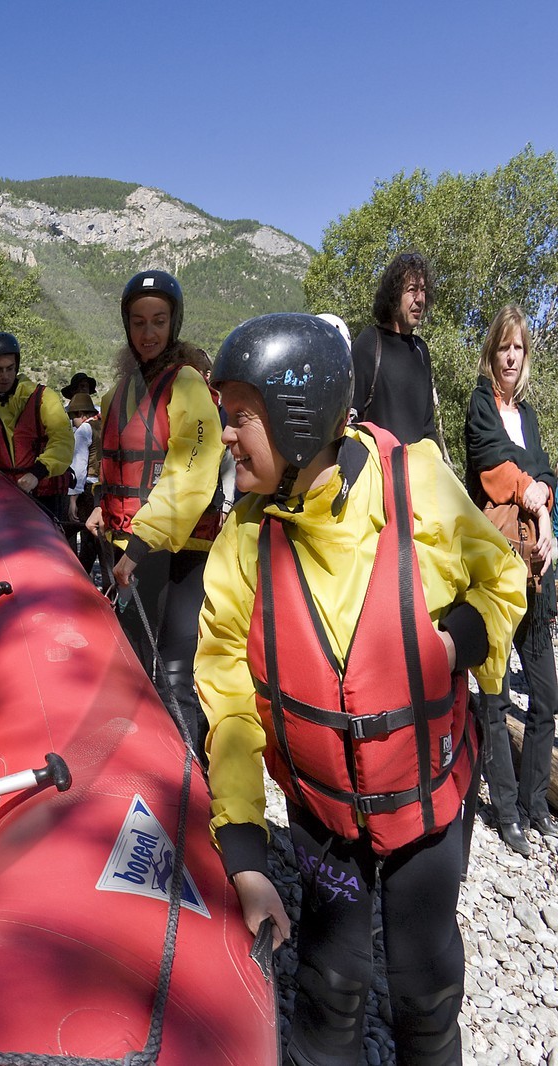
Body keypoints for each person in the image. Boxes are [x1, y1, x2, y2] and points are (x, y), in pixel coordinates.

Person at [197, 313, 524, 1066]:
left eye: (240, 417)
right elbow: (229, 700)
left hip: (427, 801)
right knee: (329, 983)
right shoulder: (246, 542)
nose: (226, 438)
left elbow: (502, 578)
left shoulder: (418, 486)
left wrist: (460, 642)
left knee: (426, 986)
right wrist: (245, 854)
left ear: (297, 415)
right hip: (323, 814)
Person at [83, 270, 223, 757]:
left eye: (158, 321)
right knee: (135, 665)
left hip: (178, 551)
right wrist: (102, 506)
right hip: (130, 549)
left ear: (173, 323)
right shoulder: (117, 393)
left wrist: (140, 545)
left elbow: (191, 471)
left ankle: (194, 784)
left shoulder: (185, 384)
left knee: (175, 672)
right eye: (139, 322)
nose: (148, 333)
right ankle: (146, 769)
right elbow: (113, 461)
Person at [463, 304, 557, 857]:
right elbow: (492, 469)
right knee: (495, 691)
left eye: (519, 348)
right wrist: (539, 503)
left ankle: (536, 803)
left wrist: (547, 517)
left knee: (544, 696)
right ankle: (505, 812)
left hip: (538, 570)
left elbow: (546, 472)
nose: (511, 357)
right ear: (492, 352)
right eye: (504, 348)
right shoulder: (481, 405)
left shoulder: (531, 416)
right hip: (501, 564)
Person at [0, 331, 74, 518]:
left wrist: (37, 473)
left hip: (46, 495)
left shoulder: (44, 398)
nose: (5, 376)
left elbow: (63, 441)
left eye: (10, 368)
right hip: (2, 496)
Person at [351, 251, 444, 447]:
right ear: (393, 296)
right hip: (377, 472)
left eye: (423, 290)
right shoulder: (369, 343)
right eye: (412, 290)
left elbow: (428, 428)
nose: (420, 299)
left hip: (415, 473)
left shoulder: (421, 351)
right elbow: (350, 418)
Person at [64, 390, 100, 574]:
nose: (73, 422)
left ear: (81, 414)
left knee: (87, 540)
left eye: (73, 417)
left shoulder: (85, 429)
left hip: (88, 491)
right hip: (104, 490)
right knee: (102, 543)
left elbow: (79, 465)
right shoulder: (104, 425)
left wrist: (72, 499)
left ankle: (81, 581)